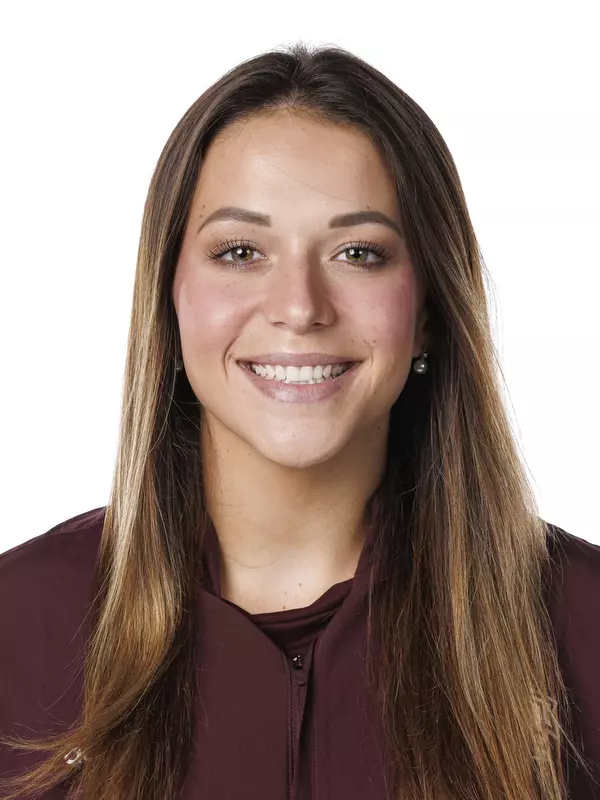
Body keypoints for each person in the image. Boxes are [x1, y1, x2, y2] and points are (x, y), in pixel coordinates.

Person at [0, 41, 599, 800]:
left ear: (430, 313)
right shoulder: (18, 624)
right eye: (242, 250)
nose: (299, 307)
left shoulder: (583, 624)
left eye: (358, 252)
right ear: (168, 296)